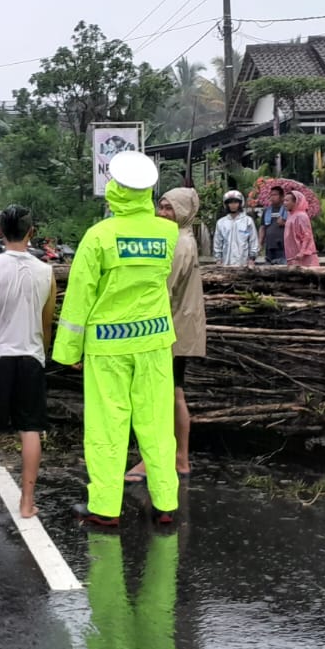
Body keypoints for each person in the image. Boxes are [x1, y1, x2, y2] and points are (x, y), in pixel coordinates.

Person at [53, 150, 180, 527]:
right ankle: (165, 504)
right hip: (155, 343)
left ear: (118, 190)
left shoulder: (99, 237)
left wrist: (68, 350)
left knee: (108, 429)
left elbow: (80, 296)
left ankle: (105, 508)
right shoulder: (167, 232)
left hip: (108, 346)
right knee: (157, 425)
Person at [0, 204, 57, 521]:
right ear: (32, 232)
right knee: (30, 430)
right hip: (31, 356)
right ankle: (27, 503)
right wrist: (40, 352)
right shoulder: (46, 271)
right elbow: (47, 322)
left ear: (0, 231)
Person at [127, 187, 205, 484]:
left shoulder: (178, 244)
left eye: (169, 208)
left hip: (171, 328)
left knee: (161, 396)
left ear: (184, 211)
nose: (162, 213)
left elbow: (162, 287)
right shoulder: (185, 239)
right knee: (175, 392)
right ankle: (180, 458)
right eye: (161, 206)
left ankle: (152, 461)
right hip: (181, 327)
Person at [211, 190, 255, 266]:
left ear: (240, 203)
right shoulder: (221, 223)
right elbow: (217, 242)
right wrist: (218, 259)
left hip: (244, 263)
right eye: (230, 202)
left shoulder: (248, 221)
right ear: (226, 204)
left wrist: (252, 258)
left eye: (235, 202)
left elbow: (253, 240)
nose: (233, 205)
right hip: (226, 263)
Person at [283, 190, 321, 268]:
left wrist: (302, 252)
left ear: (295, 202)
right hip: (293, 256)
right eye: (284, 200)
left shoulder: (301, 216)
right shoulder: (290, 215)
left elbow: (307, 235)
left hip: (303, 257)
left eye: (287, 200)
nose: (284, 203)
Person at [257, 187, 288, 265]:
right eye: (271, 195)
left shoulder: (287, 210)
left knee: (282, 269)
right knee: (269, 269)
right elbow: (262, 227)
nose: (272, 197)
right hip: (270, 246)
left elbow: (294, 225)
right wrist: (260, 243)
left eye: (275, 195)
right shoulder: (267, 210)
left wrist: (285, 223)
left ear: (282, 197)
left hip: (283, 247)